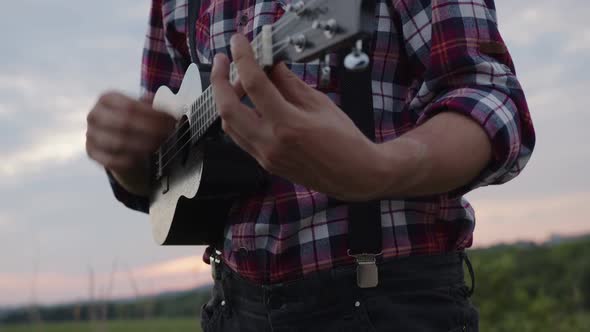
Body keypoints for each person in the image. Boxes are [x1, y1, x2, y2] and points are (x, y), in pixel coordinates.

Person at [86, 0, 535, 331]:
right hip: (231, 309)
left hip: (385, 301)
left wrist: (380, 168)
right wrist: (128, 160)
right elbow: (162, 166)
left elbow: (490, 99)